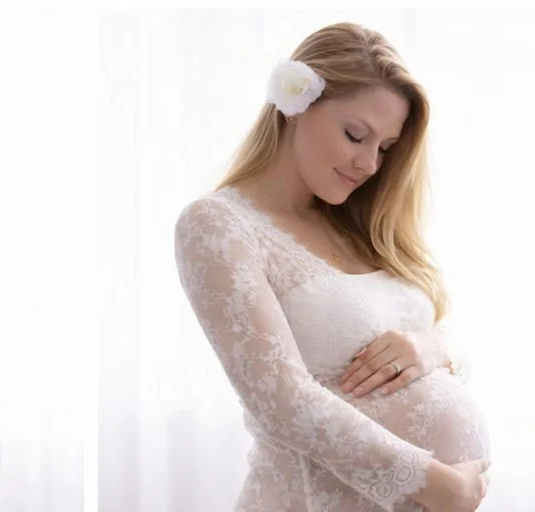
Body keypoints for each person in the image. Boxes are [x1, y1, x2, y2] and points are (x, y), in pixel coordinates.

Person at [173, 22, 492, 512]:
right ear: (294, 106)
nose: (369, 164)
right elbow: (280, 398)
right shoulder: (218, 225)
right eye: (355, 135)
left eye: (385, 148)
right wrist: (431, 484)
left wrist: (432, 348)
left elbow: (452, 341)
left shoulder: (361, 224)